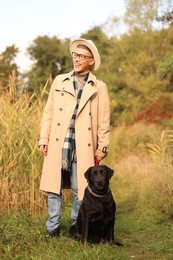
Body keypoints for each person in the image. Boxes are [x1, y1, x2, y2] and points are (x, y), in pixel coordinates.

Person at [38, 38, 110, 237]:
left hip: (83, 146)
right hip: (58, 143)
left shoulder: (99, 86)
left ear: (91, 61)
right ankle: (52, 229)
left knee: (81, 190)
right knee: (54, 189)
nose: (76, 59)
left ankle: (76, 228)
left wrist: (102, 147)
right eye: (75, 55)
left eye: (81, 56)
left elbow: (104, 120)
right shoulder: (60, 81)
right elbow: (48, 113)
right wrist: (43, 138)